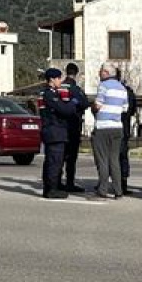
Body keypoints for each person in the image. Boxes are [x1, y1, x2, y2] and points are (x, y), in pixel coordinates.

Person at [37, 68, 81, 199]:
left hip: (54, 131)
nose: (60, 81)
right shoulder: (49, 94)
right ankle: (51, 189)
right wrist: (73, 102)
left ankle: (51, 187)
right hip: (54, 131)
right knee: (54, 162)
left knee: (52, 161)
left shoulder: (50, 93)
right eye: (58, 79)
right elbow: (64, 110)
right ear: (52, 80)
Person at [90, 64, 129, 199]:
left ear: (106, 72)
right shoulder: (122, 88)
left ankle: (103, 189)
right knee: (114, 160)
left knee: (103, 160)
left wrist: (93, 108)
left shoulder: (104, 86)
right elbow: (125, 108)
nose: (99, 73)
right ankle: (118, 191)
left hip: (103, 127)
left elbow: (98, 104)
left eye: (100, 71)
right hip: (117, 126)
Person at [60, 62, 88, 193]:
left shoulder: (58, 87)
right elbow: (85, 103)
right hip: (72, 126)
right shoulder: (75, 89)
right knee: (71, 158)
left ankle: (57, 181)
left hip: (60, 126)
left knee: (59, 156)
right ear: (76, 74)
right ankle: (69, 182)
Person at [116, 68, 138, 195]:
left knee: (110, 156)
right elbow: (132, 109)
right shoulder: (128, 92)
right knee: (122, 156)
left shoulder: (106, 89)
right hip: (124, 128)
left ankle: (107, 182)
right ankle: (123, 184)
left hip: (113, 126)